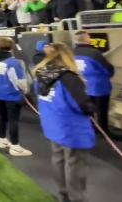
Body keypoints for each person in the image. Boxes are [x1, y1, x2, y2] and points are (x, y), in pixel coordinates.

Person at [35, 42, 96, 202]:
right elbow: (81, 104)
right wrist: (91, 108)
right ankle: (77, 198)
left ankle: (63, 195)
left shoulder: (41, 74)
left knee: (59, 158)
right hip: (71, 128)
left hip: (53, 125)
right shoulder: (69, 78)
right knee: (75, 163)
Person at [0, 37, 32, 156]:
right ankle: (15, 146)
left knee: (2, 116)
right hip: (11, 94)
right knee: (13, 119)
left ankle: (2, 140)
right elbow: (19, 81)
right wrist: (26, 90)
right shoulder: (13, 62)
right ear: (11, 48)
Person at [72, 31, 115, 135]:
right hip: (99, 84)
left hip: (83, 83)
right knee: (101, 109)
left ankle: (90, 128)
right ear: (86, 39)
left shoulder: (71, 52)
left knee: (88, 108)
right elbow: (107, 68)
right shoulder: (93, 53)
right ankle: (103, 130)